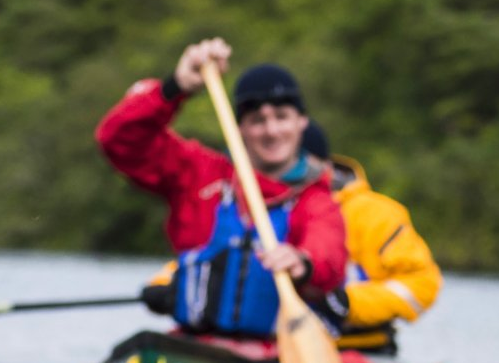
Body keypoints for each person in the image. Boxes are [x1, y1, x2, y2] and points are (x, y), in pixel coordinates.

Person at [99, 38, 346, 338]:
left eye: (282, 117)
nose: (271, 131)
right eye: (257, 120)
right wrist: (175, 87)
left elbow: (329, 253)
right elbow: (119, 141)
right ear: (240, 127)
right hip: (195, 343)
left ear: (301, 122)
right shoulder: (201, 174)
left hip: (273, 350)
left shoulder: (316, 200)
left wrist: (303, 262)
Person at [299, 121, 443, 353]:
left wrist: (349, 303)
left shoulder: (378, 214)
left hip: (360, 349)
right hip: (276, 348)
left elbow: (422, 284)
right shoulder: (256, 206)